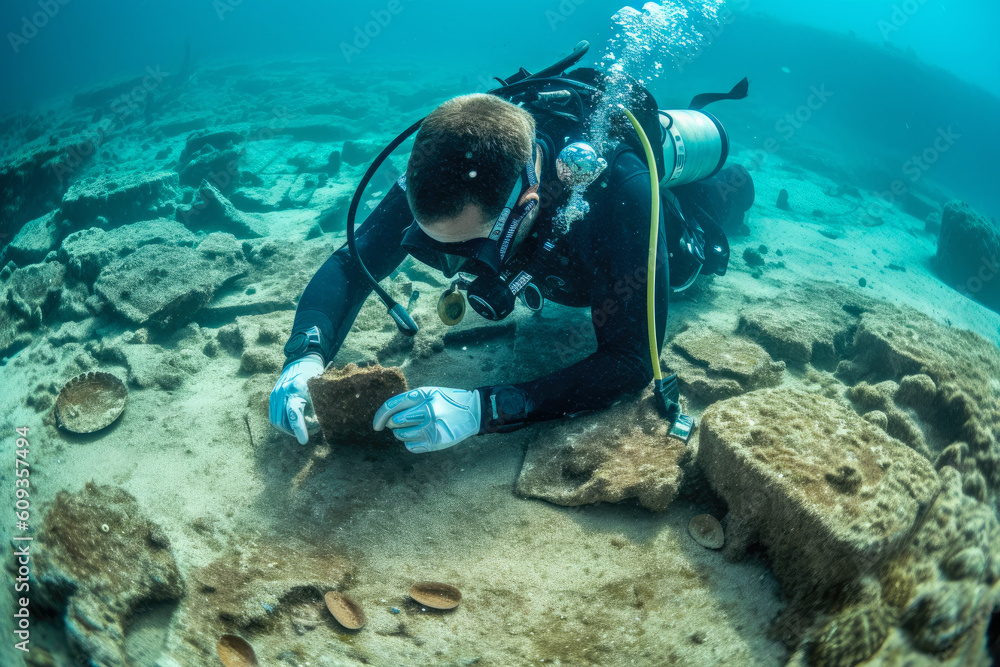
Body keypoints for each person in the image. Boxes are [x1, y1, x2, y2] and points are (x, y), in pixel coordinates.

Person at [269, 57, 754, 453]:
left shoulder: (622, 190)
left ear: (526, 206)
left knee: (704, 244)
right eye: (433, 248)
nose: (452, 269)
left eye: (467, 251)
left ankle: (717, 189)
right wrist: (304, 356)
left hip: (636, 229)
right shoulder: (450, 166)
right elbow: (353, 262)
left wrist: (485, 408)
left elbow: (630, 361)